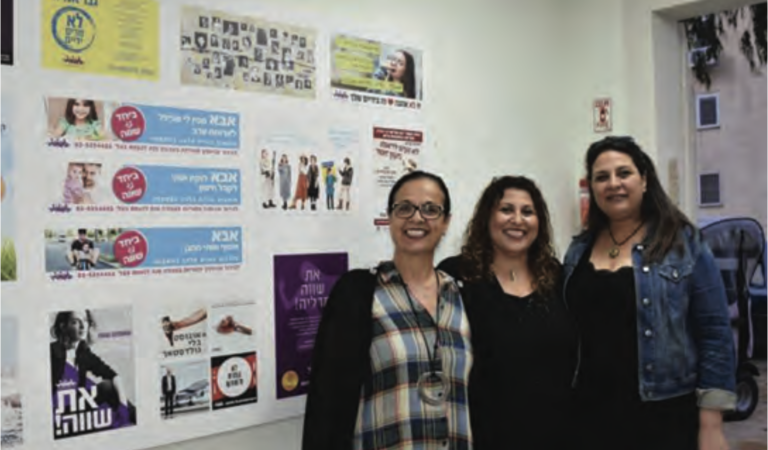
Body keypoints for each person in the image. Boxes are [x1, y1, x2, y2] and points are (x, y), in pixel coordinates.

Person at [564, 136, 736, 450]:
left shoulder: (683, 243)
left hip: (663, 415)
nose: (613, 184)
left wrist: (711, 425)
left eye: (623, 173)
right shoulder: (578, 250)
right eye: (601, 177)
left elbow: (714, 333)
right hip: (588, 414)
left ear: (644, 180)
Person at [303, 170, 472, 450]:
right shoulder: (357, 293)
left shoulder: (463, 296)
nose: (416, 217)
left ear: (446, 223)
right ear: (390, 217)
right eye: (404, 208)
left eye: (430, 209)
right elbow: (326, 402)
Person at [438, 176, 577, 450]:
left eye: (528, 212)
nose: (517, 220)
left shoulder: (557, 276)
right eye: (506, 210)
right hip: (483, 435)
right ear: (487, 218)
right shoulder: (456, 275)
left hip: (555, 434)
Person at [50, 310, 135, 427]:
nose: (82, 326)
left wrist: (123, 406)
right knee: (107, 388)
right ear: (63, 326)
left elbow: (114, 376)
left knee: (108, 387)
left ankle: (139, 420)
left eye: (85, 321)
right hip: (57, 414)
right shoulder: (51, 352)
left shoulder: (83, 353)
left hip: (77, 407)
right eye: (75, 322)